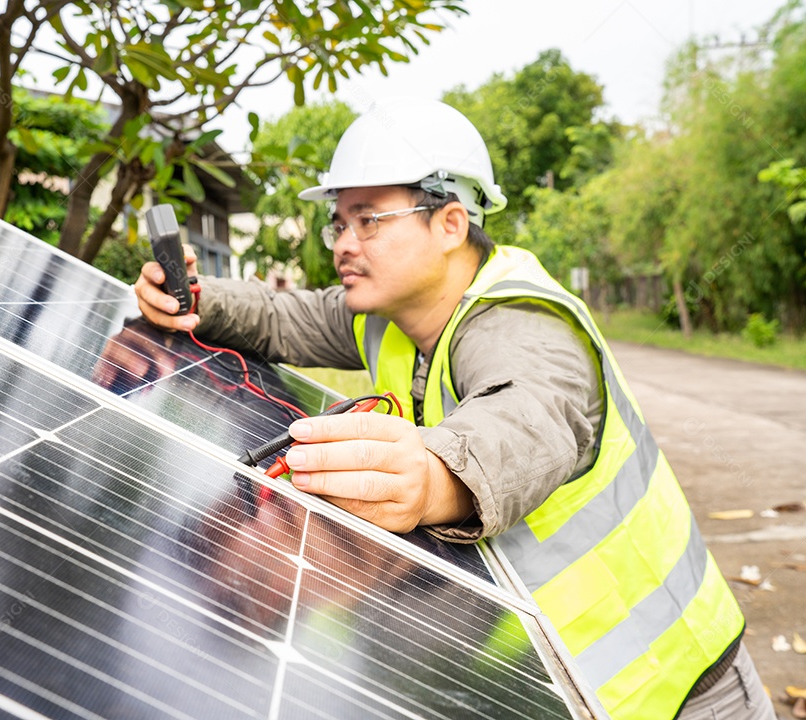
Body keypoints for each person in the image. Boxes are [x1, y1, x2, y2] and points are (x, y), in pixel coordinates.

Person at [133, 98, 772, 720]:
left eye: (370, 220)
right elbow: (281, 315)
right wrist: (191, 300)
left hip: (675, 689)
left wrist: (435, 475)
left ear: (451, 224)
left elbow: (529, 420)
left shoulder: (524, 324)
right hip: (549, 690)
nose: (343, 245)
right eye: (340, 222)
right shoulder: (386, 318)